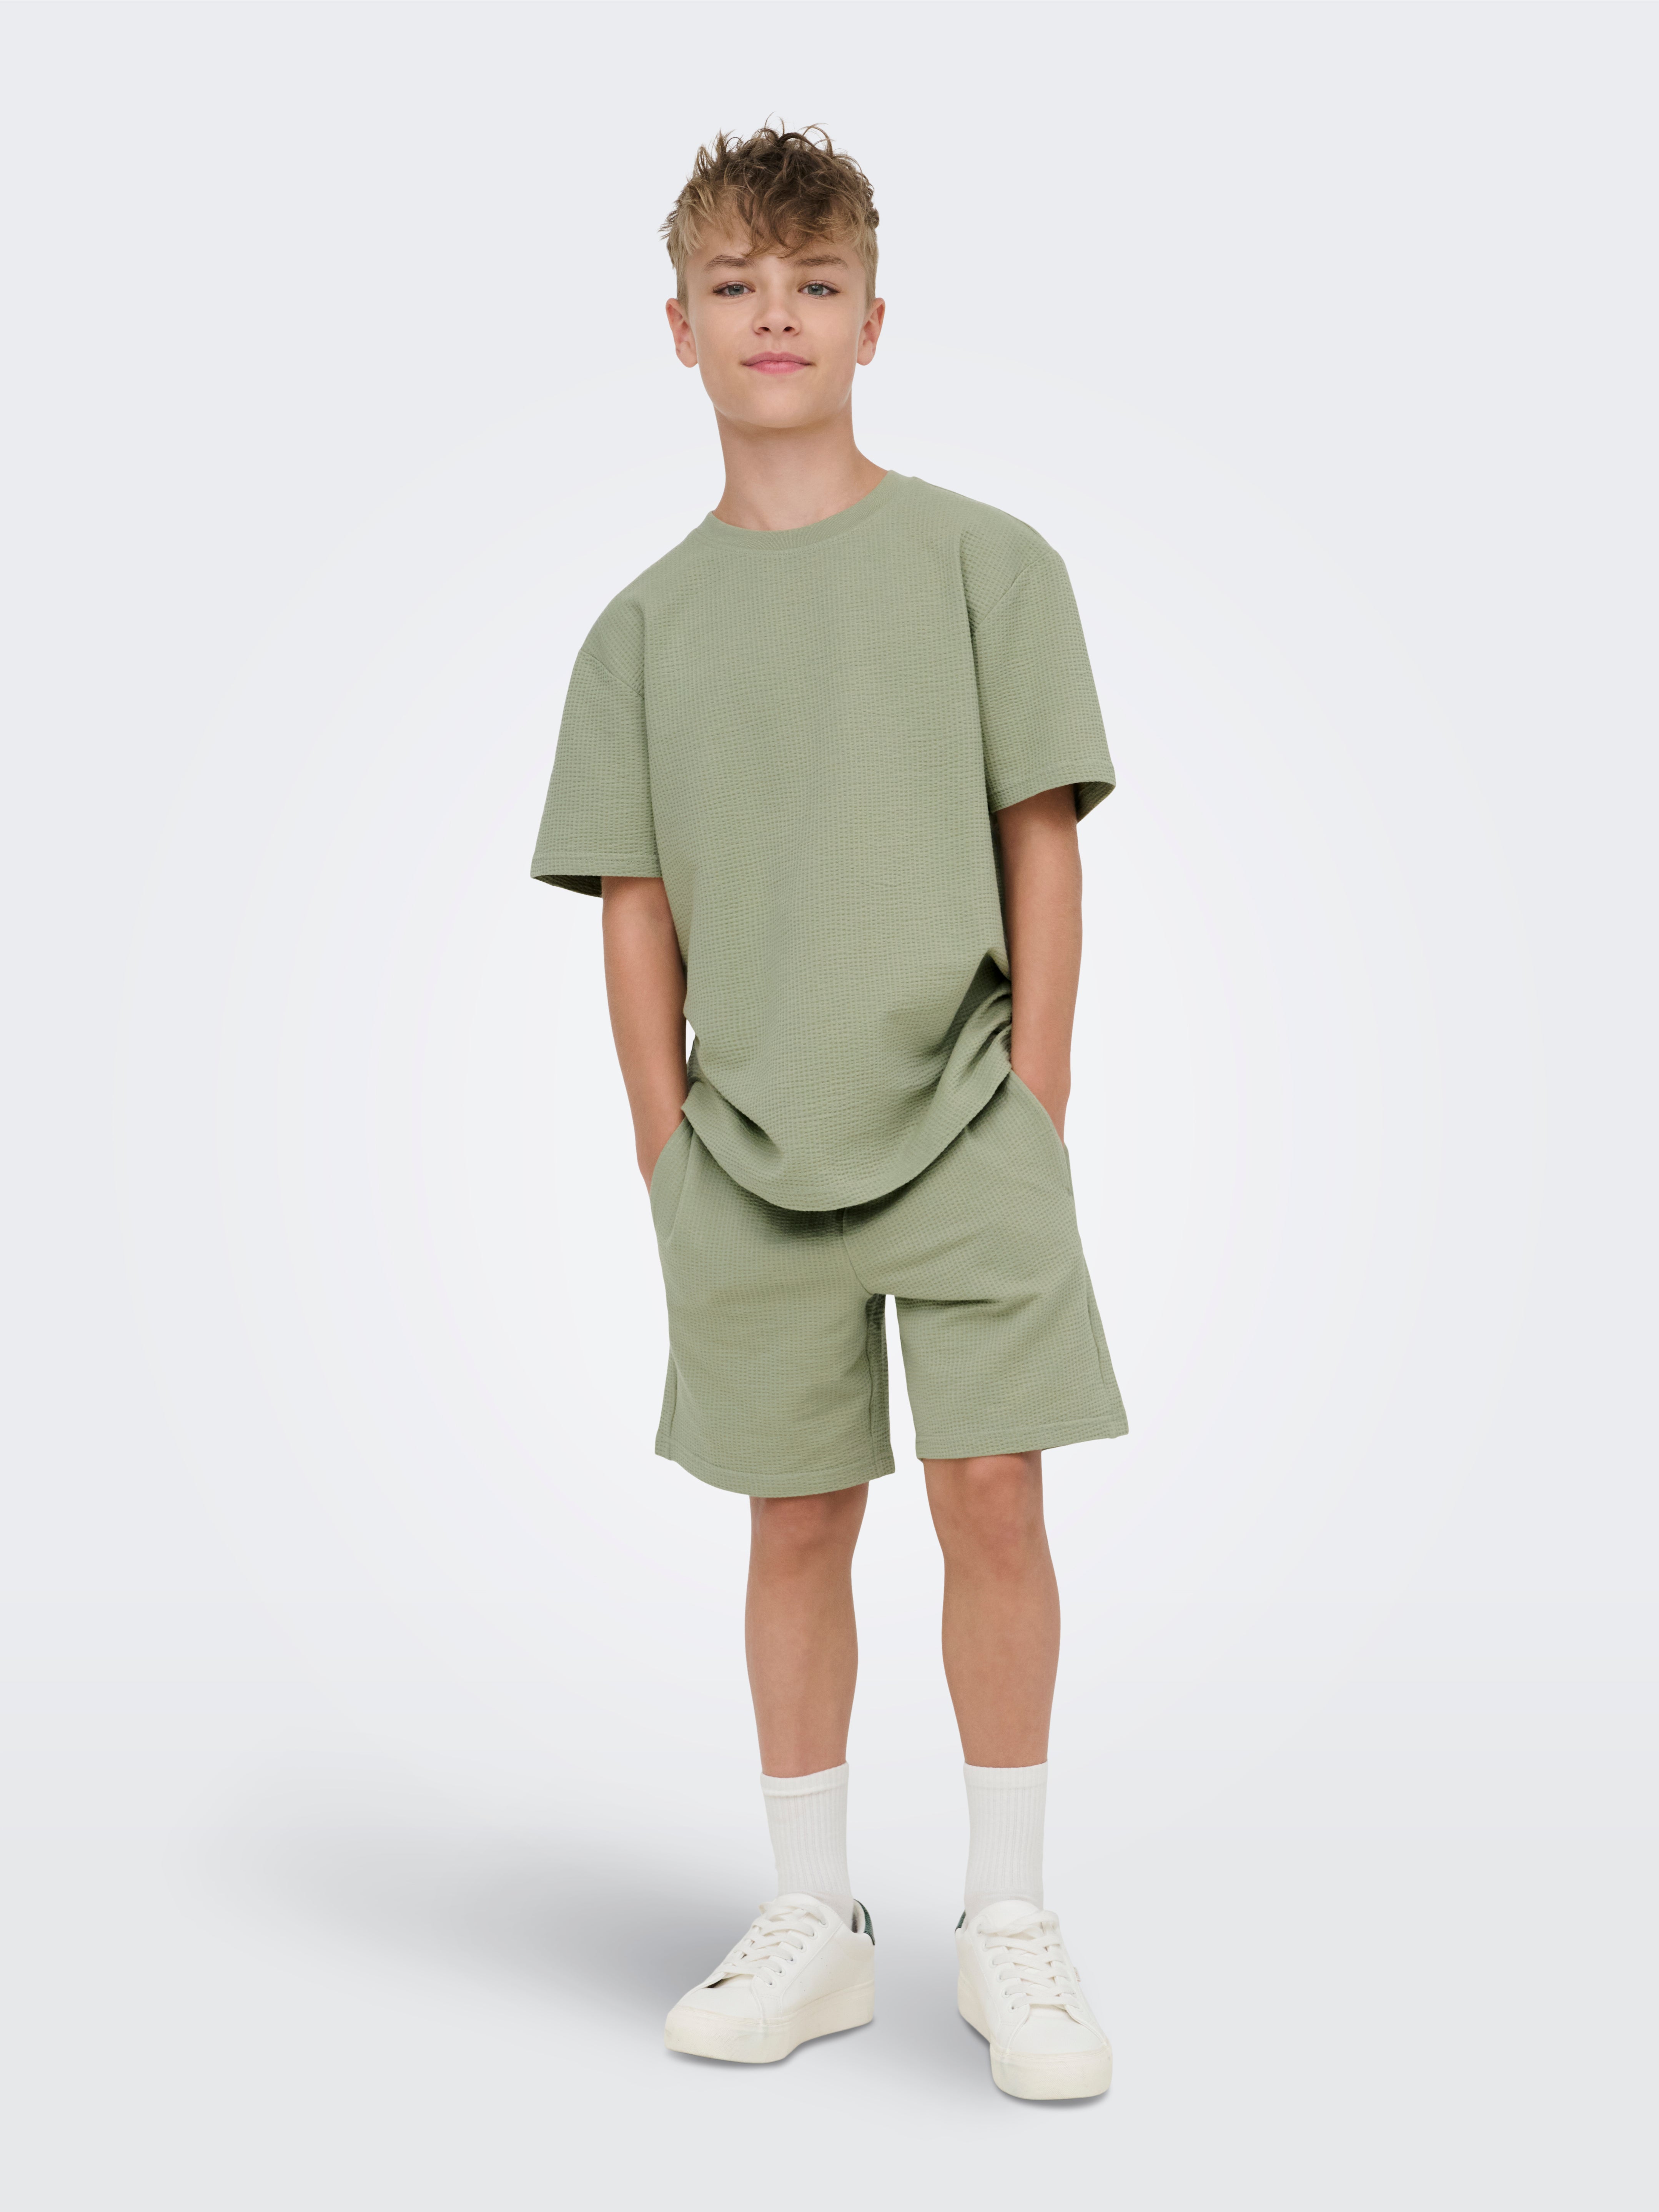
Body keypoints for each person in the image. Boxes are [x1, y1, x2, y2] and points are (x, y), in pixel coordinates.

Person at [531, 125, 1127, 2101]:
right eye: (734, 285)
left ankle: (1007, 1913)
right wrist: (663, 1146)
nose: (772, 316)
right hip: (744, 1146)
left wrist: (1034, 1094)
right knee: (793, 1515)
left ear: (874, 320)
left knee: (993, 1494)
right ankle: (817, 1920)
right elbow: (634, 907)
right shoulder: (638, 631)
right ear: (677, 328)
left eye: (811, 284)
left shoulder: (983, 563)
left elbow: (1040, 838)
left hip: (966, 1114)